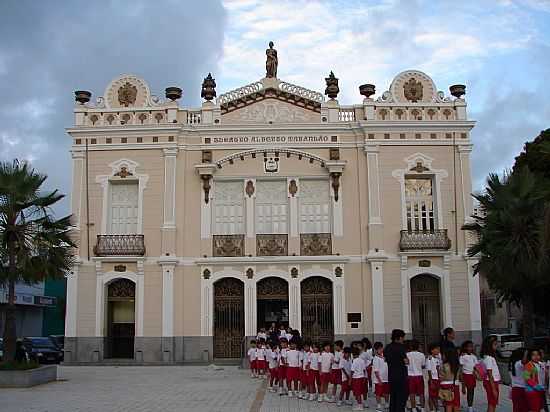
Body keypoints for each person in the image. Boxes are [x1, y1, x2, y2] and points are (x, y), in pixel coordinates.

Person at [385, 329, 409, 412]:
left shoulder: (387, 347)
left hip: (391, 375)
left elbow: (386, 359)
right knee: (401, 398)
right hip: (401, 376)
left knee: (393, 397)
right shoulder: (401, 348)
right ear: (399, 338)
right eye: (403, 338)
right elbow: (406, 361)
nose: (403, 340)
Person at [481, 335, 501, 412]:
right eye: (495, 344)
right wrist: (493, 389)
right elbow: (489, 373)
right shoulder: (489, 358)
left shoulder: (487, 357)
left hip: (491, 382)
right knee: (492, 403)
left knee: (492, 403)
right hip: (491, 382)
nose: (497, 346)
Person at [406, 339, 426, 412]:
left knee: (412, 393)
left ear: (411, 347)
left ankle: (413, 408)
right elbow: (423, 366)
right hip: (419, 375)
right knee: (421, 393)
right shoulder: (421, 355)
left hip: (410, 376)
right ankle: (422, 408)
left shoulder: (407, 354)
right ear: (418, 347)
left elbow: (406, 364)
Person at [460, 340, 478, 412]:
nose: (471, 348)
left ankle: (470, 406)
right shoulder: (463, 356)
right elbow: (461, 368)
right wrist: (461, 379)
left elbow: (476, 366)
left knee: (471, 391)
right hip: (465, 375)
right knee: (466, 390)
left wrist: (476, 372)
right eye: (469, 347)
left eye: (472, 346)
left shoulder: (474, 356)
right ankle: (468, 406)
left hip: (472, 376)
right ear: (465, 347)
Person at [509, 347, 528, 412]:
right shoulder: (518, 363)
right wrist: (526, 352)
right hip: (521, 389)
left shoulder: (512, 364)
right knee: (523, 408)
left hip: (514, 388)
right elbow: (524, 361)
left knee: (516, 408)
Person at [373, 341, 390, 412]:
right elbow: (376, 371)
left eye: (381, 348)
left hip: (386, 378)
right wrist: (379, 380)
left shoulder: (385, 356)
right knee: (378, 393)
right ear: (376, 350)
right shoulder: (375, 359)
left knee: (387, 392)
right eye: (378, 349)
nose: (380, 350)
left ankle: (386, 403)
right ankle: (379, 405)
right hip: (379, 379)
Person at [426, 343, 442, 412]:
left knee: (436, 395)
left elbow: (437, 368)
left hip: (437, 379)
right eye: (437, 349)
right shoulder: (429, 358)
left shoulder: (437, 358)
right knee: (431, 395)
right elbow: (429, 370)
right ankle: (432, 409)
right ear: (432, 350)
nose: (438, 350)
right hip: (432, 379)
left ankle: (436, 408)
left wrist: (440, 377)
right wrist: (431, 381)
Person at [351, 346, 367, 411]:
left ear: (353, 354)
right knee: (361, 391)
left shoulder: (354, 361)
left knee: (357, 392)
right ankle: (360, 403)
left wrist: (350, 379)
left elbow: (352, 371)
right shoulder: (362, 360)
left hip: (356, 378)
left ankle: (360, 406)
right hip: (362, 377)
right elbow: (364, 370)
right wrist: (364, 378)